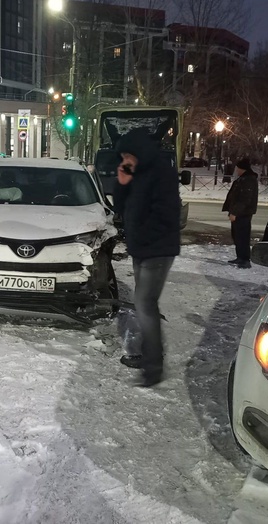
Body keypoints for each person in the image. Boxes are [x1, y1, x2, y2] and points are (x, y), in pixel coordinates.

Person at [113, 128, 181, 387]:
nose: (125, 159)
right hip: (141, 249)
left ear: (140, 151)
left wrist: (140, 235)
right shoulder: (136, 173)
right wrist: (121, 182)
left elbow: (165, 215)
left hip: (158, 249)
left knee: (144, 305)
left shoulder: (161, 173)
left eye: (128, 154)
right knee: (145, 307)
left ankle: (153, 367)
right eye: (122, 156)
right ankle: (150, 356)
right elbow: (120, 207)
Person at [222, 157, 258, 269]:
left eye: (237, 168)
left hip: (243, 214)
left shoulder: (248, 180)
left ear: (242, 168)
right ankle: (240, 257)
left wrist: (234, 213)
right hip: (239, 213)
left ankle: (245, 259)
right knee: (237, 236)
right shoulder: (243, 179)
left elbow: (244, 199)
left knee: (242, 236)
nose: (236, 170)